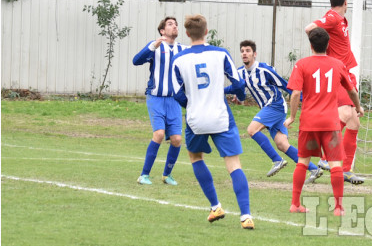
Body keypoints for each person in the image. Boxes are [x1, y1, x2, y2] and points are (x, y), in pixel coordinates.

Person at [172, 14, 254, 229]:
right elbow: (238, 83)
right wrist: (238, 95)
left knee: (195, 156)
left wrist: (191, 105)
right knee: (234, 164)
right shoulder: (220, 53)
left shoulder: (179, 60)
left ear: (187, 34)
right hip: (221, 116)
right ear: (206, 32)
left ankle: (215, 206)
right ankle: (246, 216)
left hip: (195, 118)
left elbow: (177, 93)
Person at [284, 28, 363, 216]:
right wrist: (358, 107)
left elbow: (295, 93)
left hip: (309, 122)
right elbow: (351, 90)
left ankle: (295, 204)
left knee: (302, 162)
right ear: (328, 45)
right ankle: (338, 208)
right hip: (330, 123)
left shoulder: (302, 64)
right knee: (336, 164)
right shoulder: (337, 64)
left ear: (310, 45)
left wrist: (293, 117)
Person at [304, 0, 364, 184]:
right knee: (346, 113)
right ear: (345, 4)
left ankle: (345, 169)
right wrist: (319, 51)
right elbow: (309, 28)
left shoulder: (337, 13)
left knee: (354, 122)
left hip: (347, 70)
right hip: (338, 71)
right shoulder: (331, 18)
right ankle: (324, 157)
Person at [230, 40, 323, 184]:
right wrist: (236, 95)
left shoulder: (264, 70)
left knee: (252, 130)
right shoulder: (240, 73)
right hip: (268, 108)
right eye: (242, 51)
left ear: (254, 54)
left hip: (275, 106)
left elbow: (285, 85)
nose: (244, 53)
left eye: (248, 50)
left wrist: (307, 100)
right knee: (282, 144)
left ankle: (277, 160)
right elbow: (239, 90)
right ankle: (313, 169)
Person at [132, 16, 185, 186]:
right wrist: (153, 45)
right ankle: (144, 175)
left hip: (174, 100)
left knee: (176, 139)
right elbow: (136, 61)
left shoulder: (183, 49)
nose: (174, 26)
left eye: (176, 24)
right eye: (170, 24)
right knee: (160, 134)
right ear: (162, 31)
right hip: (156, 97)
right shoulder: (155, 47)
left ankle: (166, 175)